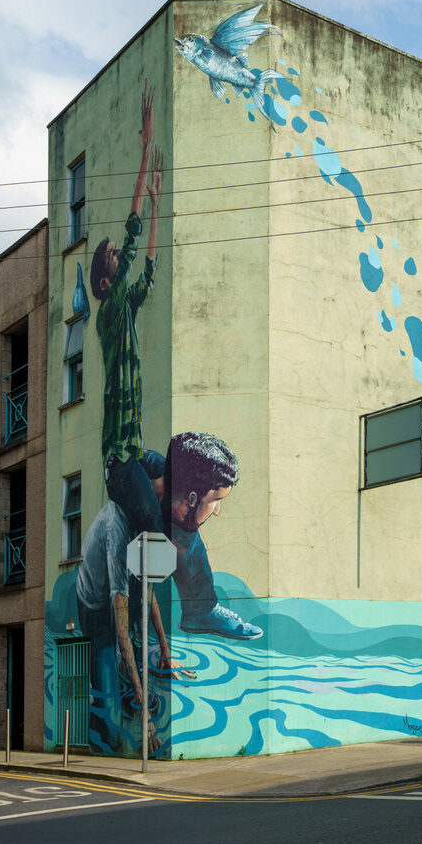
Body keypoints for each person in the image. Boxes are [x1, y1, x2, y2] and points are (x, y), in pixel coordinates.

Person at [75, 453, 194, 756]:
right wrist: (147, 720)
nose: (164, 497)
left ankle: (135, 689)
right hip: (95, 605)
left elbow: (147, 590)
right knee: (107, 679)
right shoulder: (117, 527)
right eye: (161, 490)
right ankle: (102, 741)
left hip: (121, 590)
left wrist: (166, 652)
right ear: (143, 486)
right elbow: (122, 631)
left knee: (134, 658)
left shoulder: (142, 524)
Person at [95, 85, 164, 533]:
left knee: (177, 466)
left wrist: (158, 207)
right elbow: (131, 228)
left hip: (135, 450)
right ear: (106, 281)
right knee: (153, 521)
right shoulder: (108, 310)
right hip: (119, 460)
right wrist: (144, 154)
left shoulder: (126, 309)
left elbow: (149, 272)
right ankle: (138, 596)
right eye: (117, 257)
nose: (122, 257)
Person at [158, 433, 262, 639]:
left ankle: (202, 612)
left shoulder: (183, 530)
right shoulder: (144, 504)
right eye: (216, 500)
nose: (217, 511)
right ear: (192, 498)